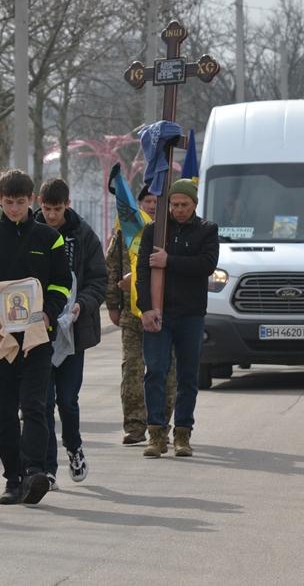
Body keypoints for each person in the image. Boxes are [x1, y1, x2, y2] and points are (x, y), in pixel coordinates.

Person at [0, 169, 72, 504]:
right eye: (8, 203)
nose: (14, 209)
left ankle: (36, 473)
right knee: (5, 412)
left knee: (35, 406)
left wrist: (49, 312)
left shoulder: (48, 238)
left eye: (20, 203)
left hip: (37, 338)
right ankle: (13, 479)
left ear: (32, 201)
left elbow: (61, 283)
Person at [136, 178, 219, 458]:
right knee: (155, 371)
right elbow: (143, 273)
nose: (179, 209)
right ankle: (156, 434)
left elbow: (206, 265)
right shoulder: (154, 231)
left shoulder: (207, 230)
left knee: (187, 376)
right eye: (174, 204)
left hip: (191, 314)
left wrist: (170, 260)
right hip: (159, 312)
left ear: (194, 204)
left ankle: (182, 433)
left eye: (184, 204)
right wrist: (145, 308)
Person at [36, 178, 107, 490]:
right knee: (43, 401)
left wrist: (82, 305)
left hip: (73, 332)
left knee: (67, 399)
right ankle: (48, 468)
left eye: (57, 209)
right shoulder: (31, 232)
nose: (51, 215)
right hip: (38, 331)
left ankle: (74, 447)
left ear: (67, 204)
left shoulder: (83, 236)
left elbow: (98, 279)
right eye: (46, 209)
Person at [106, 183, 177, 445]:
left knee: (165, 372)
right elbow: (111, 269)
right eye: (147, 201)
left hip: (165, 315)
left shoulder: (172, 235)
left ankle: (160, 426)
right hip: (131, 315)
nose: (151, 206)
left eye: (157, 202)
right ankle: (135, 426)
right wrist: (113, 305)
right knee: (133, 370)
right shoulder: (126, 234)